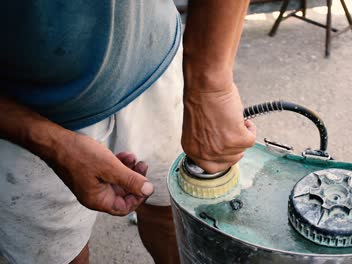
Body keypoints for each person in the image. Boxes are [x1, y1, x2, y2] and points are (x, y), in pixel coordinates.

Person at [0, 0, 255, 263]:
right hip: (25, 113)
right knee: (57, 256)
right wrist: (49, 142)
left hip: (154, 63)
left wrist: (211, 84)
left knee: (174, 214)